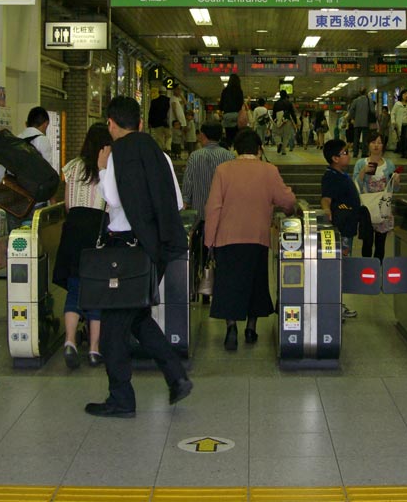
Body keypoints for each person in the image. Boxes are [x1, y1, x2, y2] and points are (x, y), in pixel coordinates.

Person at [86, 95, 192, 418]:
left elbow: (114, 200)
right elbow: (176, 203)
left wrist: (104, 169)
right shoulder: (160, 155)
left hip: (126, 251)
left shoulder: (117, 154)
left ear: (111, 124)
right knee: (138, 317)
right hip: (154, 250)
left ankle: (121, 398)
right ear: (141, 124)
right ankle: (176, 377)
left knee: (113, 330)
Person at [204, 128, 296, 349]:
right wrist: (290, 200)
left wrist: (209, 241)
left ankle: (231, 328)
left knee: (229, 284)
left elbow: (213, 207)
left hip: (227, 239)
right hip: (257, 238)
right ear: (259, 148)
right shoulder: (269, 170)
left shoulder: (223, 170)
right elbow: (287, 201)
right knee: (255, 283)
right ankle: (251, 329)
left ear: (235, 149)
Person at [53, 123, 111, 369]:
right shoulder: (107, 168)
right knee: (96, 290)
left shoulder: (73, 166)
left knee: (75, 287)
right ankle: (95, 350)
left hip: (73, 229)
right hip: (96, 228)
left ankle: (69, 341)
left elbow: (67, 204)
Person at [320, 139, 369, 319]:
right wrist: (326, 210)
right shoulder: (331, 176)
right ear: (334, 158)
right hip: (341, 229)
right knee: (338, 267)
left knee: (342, 265)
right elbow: (326, 198)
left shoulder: (341, 174)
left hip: (348, 227)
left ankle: (337, 303)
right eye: (345, 153)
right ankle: (335, 305)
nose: (348, 155)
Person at [0, 106, 53, 231]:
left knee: (16, 244)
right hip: (35, 204)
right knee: (33, 245)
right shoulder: (43, 141)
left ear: (27, 123)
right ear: (46, 124)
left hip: (14, 205)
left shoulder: (14, 141)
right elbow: (47, 176)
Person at [352, 131, 400, 261]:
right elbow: (355, 185)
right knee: (367, 243)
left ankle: (378, 268)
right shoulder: (361, 163)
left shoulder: (389, 164)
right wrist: (363, 172)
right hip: (367, 208)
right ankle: (367, 268)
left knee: (380, 243)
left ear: (383, 145)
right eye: (373, 142)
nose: (376, 145)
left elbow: (394, 188)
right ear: (368, 145)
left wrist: (396, 180)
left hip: (383, 207)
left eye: (379, 142)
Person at [182, 121, 235, 223]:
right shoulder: (229, 156)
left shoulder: (195, 156)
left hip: (200, 213)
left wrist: (185, 201)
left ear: (202, 135)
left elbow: (188, 182)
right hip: (223, 213)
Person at [219, 73, 246, 148]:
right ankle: (236, 152)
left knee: (229, 136)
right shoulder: (239, 91)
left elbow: (221, 105)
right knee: (237, 137)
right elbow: (241, 104)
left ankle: (228, 152)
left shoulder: (225, 91)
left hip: (227, 115)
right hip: (236, 115)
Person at [348, 88, 372, 157]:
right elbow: (373, 111)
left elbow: (351, 110)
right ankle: (364, 153)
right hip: (366, 122)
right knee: (365, 139)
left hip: (357, 123)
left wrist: (352, 118)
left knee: (356, 139)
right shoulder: (369, 101)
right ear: (366, 93)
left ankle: (355, 153)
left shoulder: (355, 101)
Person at [272, 89, 297, 155]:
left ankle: (279, 143)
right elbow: (292, 113)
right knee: (286, 136)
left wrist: (274, 120)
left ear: (280, 95)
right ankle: (283, 151)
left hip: (278, 119)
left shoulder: (276, 103)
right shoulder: (289, 103)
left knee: (275, 133)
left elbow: (274, 113)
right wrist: (295, 122)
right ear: (286, 95)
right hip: (287, 120)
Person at [391, 90, 407, 159]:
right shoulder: (397, 104)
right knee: (401, 138)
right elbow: (393, 113)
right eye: (404, 94)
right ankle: (402, 152)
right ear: (401, 95)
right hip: (399, 124)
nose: (406, 95)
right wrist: (393, 121)